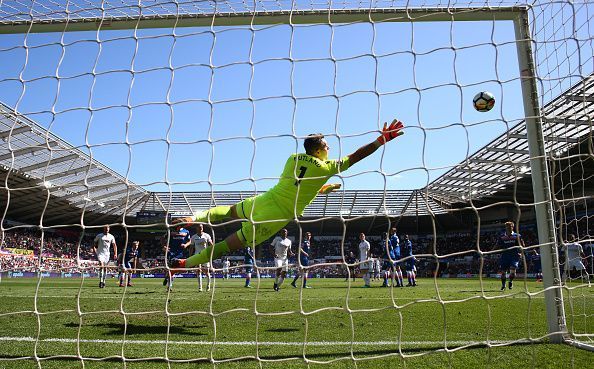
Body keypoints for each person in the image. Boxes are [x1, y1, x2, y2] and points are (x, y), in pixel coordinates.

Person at [170, 120, 405, 268]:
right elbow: (355, 157)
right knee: (226, 246)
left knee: (227, 211)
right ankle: (184, 263)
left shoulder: (293, 159)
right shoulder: (325, 167)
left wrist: (323, 188)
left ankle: (194, 218)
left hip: (264, 200)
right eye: (326, 145)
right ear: (317, 150)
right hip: (275, 215)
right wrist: (381, 140)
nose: (329, 148)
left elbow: (300, 185)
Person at [183, 224, 213, 292]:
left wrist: (213, 247)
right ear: (197, 228)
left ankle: (208, 286)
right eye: (199, 228)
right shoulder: (193, 237)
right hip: (197, 255)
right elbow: (191, 247)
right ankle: (200, 287)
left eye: (201, 227)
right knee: (198, 271)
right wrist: (190, 256)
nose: (201, 229)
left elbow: (211, 244)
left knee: (207, 272)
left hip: (205, 255)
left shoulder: (207, 235)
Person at [496, 221, 524, 291]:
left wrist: (521, 253)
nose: (508, 228)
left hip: (514, 256)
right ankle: (503, 285)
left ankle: (510, 281)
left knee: (512, 273)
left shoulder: (517, 236)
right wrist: (490, 251)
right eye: (507, 227)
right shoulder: (502, 236)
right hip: (504, 256)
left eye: (510, 227)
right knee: (503, 273)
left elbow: (522, 245)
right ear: (505, 227)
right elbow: (497, 245)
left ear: (512, 227)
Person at [162, 225, 190, 291]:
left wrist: (185, 245)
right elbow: (162, 238)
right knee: (171, 268)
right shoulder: (171, 231)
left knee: (174, 269)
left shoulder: (186, 231)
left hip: (181, 253)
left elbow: (190, 241)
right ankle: (169, 286)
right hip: (171, 252)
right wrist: (164, 246)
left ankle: (167, 278)